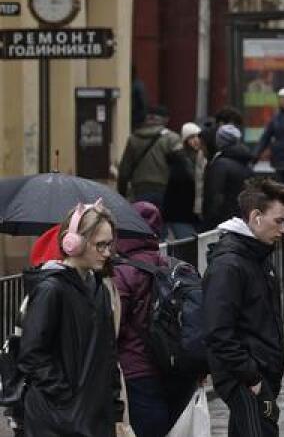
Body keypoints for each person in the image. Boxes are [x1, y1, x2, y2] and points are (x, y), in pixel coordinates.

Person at [19, 202, 123, 436]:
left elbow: (108, 353)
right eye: (100, 245)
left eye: (109, 245)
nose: (107, 253)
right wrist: (67, 398)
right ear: (74, 243)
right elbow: (32, 355)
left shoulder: (99, 288)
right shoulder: (51, 290)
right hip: (58, 420)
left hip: (91, 418)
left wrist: (114, 408)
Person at [203, 177, 284, 437]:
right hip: (245, 377)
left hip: (261, 374)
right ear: (256, 217)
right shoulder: (229, 265)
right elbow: (218, 330)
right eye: (279, 221)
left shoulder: (259, 255)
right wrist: (251, 376)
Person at [112, 201, 195, 437]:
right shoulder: (179, 267)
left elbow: (114, 325)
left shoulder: (120, 273)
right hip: (178, 369)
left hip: (137, 371)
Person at [117, 104, 183, 206]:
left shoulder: (133, 139)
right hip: (164, 189)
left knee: (140, 219)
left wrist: (122, 192)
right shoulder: (172, 138)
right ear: (165, 119)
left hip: (139, 189)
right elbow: (181, 166)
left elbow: (125, 169)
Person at [203, 124, 256, 230]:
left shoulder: (220, 164)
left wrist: (209, 221)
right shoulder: (246, 163)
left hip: (224, 221)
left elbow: (215, 196)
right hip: (242, 219)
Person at [163, 121, 206, 240]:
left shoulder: (203, 158)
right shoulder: (180, 159)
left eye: (198, 136)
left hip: (195, 214)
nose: (196, 140)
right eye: (191, 137)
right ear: (185, 140)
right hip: (181, 214)